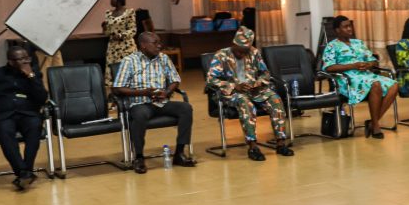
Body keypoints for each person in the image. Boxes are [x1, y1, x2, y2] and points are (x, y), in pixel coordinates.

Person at [204, 26, 295, 161]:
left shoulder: (253, 53)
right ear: (233, 44)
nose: (242, 54)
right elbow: (211, 80)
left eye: (245, 51)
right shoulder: (221, 55)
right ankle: (253, 146)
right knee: (246, 104)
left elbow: (265, 73)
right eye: (240, 51)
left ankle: (280, 143)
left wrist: (258, 82)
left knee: (275, 100)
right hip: (232, 93)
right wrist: (235, 86)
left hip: (254, 91)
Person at [113, 31, 196, 174]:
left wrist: (167, 92)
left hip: (161, 102)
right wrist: (143, 92)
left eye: (159, 42)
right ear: (143, 45)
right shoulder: (129, 61)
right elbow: (117, 88)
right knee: (139, 115)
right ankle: (138, 157)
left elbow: (175, 79)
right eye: (155, 43)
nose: (159, 46)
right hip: (140, 103)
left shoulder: (163, 58)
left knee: (186, 108)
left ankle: (180, 153)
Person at [0, 46, 49, 190]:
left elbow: (42, 98)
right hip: (2, 114)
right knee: (5, 130)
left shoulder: (34, 74)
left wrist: (31, 77)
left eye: (27, 58)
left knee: (35, 126)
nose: (25, 62)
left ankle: (25, 172)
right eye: (21, 59)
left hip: (27, 113)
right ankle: (23, 172)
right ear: (11, 61)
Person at [322, 16, 401, 139]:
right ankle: (375, 126)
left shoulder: (358, 43)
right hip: (347, 79)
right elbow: (328, 67)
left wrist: (368, 64)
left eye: (350, 26)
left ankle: (373, 122)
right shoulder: (332, 46)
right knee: (376, 84)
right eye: (345, 26)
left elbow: (374, 61)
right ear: (337, 30)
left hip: (366, 75)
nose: (349, 29)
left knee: (394, 85)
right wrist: (353, 65)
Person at [102, 0, 141, 113]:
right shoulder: (108, 13)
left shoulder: (129, 12)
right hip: (113, 48)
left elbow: (133, 30)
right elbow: (107, 32)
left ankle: (132, 99)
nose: (110, 1)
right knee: (113, 73)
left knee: (128, 72)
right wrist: (104, 28)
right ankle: (115, 100)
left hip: (126, 47)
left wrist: (121, 35)